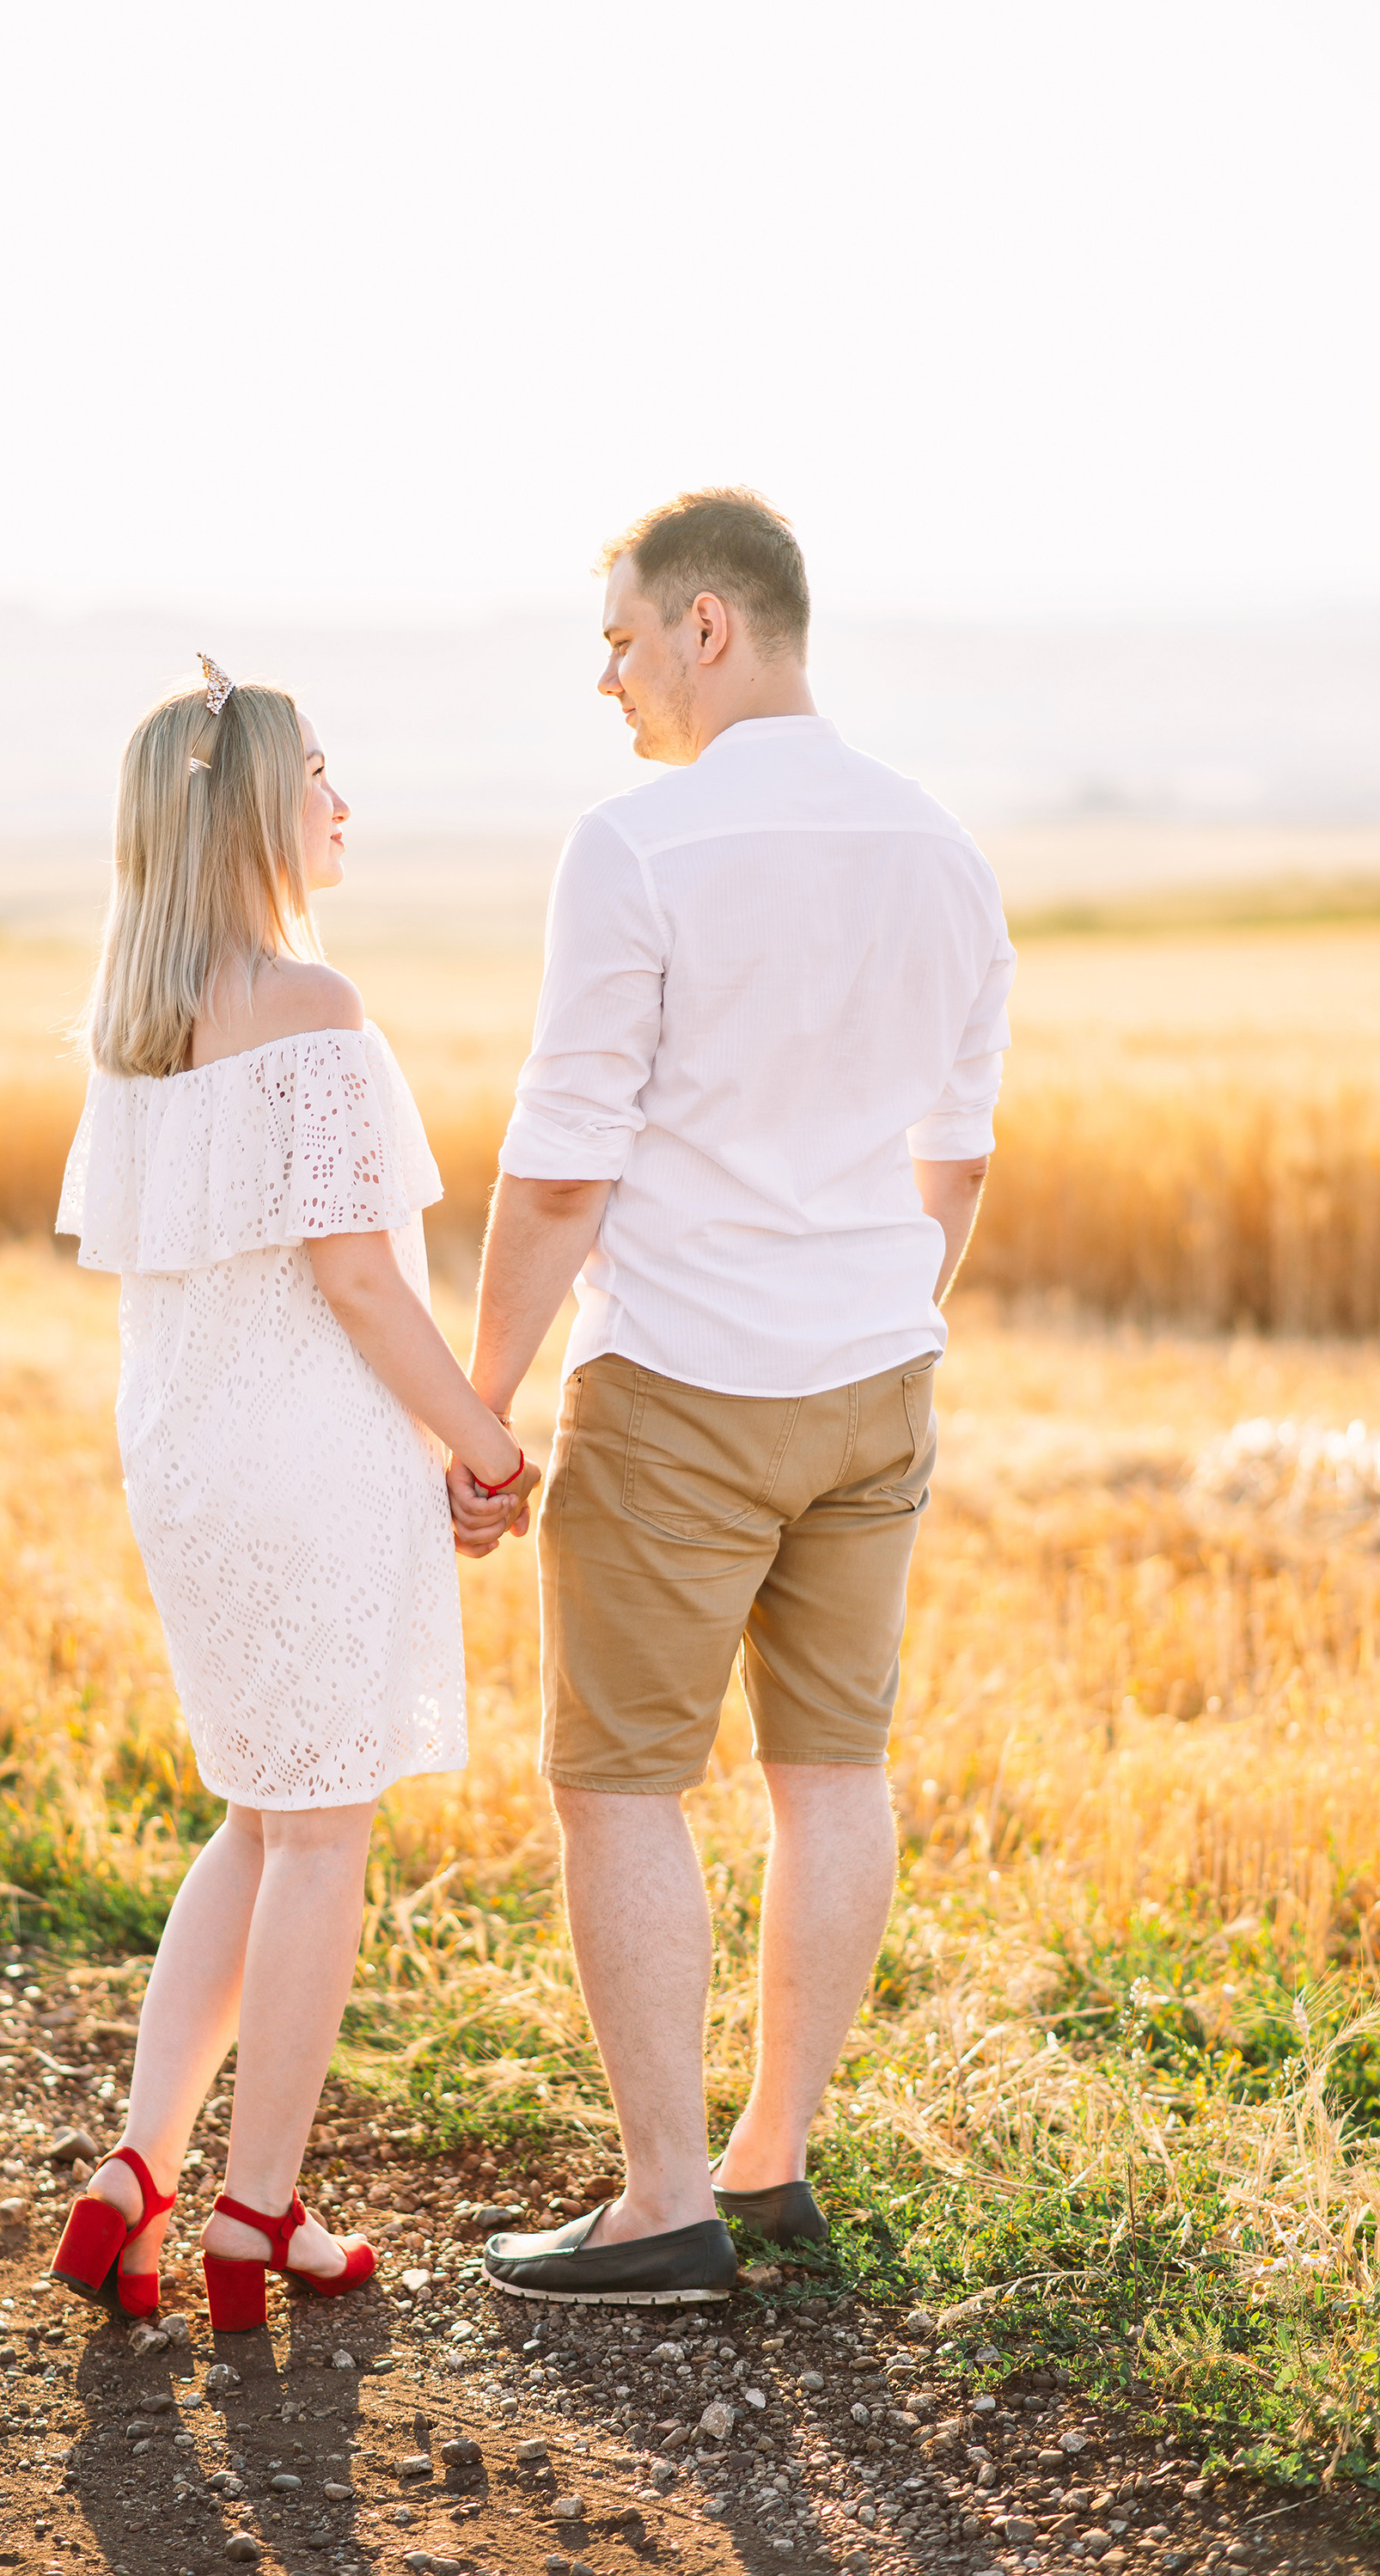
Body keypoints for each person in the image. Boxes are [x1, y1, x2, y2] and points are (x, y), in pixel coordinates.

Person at [452, 490, 1016, 2304]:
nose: (603, 677)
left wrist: (483, 1405)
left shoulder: (637, 842)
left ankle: (662, 2204)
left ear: (708, 624)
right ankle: (773, 2159)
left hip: (683, 1382)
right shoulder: (941, 845)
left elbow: (557, 1171)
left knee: (618, 1783)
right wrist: (882, 1305)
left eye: (618, 637)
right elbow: (962, 1146)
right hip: (875, 1381)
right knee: (828, 1768)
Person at [50, 656, 539, 2332]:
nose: (345, 802)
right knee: (321, 1829)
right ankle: (257, 2214)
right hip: (308, 1462)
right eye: (321, 772)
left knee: (257, 1811)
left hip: (185, 1460)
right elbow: (360, 1283)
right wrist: (485, 1438)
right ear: (261, 805)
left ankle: (138, 2170)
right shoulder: (309, 1011)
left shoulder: (136, 1029)